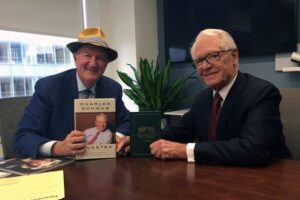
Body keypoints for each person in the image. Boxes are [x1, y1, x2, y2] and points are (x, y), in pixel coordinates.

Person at [150, 29, 292, 166]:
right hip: (218, 178)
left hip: (268, 179)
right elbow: (179, 132)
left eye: (213, 55)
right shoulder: (202, 99)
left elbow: (253, 149)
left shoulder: (261, 93)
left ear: (234, 56)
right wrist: (137, 140)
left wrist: (184, 150)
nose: (204, 66)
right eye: (199, 61)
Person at [13, 27, 130, 158]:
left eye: (100, 58)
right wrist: (57, 147)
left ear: (106, 64)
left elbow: (128, 122)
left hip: (103, 167)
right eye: (87, 55)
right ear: (75, 58)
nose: (93, 63)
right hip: (62, 167)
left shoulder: (112, 88)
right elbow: (22, 138)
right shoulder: (49, 87)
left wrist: (118, 138)